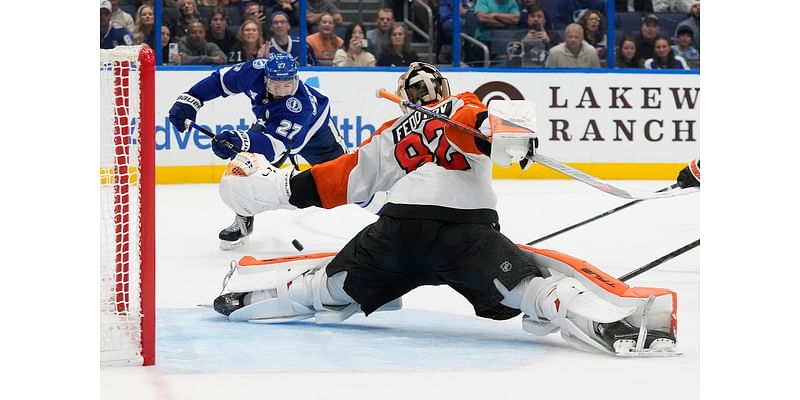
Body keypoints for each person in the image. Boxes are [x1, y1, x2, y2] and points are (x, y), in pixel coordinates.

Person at [212, 62, 679, 357]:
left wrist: (274, 190)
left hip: (397, 234)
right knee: (531, 288)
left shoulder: (392, 132)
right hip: (465, 234)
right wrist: (511, 138)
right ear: (444, 87)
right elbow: (501, 132)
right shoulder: (464, 108)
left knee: (333, 288)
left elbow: (341, 181)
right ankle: (600, 320)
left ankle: (255, 299)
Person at [167, 52, 349, 249]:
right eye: (275, 85)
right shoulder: (254, 71)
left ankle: (384, 214)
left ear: (296, 79)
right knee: (245, 167)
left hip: (318, 135)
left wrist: (240, 139)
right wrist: (192, 98)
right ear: (265, 79)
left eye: (287, 84)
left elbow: (274, 147)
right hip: (271, 125)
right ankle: (243, 219)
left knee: (348, 177)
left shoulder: (299, 106)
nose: (281, 91)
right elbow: (220, 82)